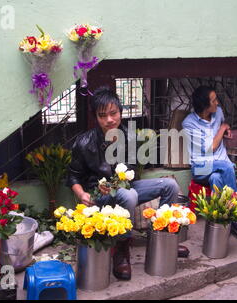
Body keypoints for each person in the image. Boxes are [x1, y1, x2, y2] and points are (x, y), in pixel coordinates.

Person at [67, 87, 189, 281]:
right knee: (129, 195)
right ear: (96, 117)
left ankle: (164, 237)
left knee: (170, 186)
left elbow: (130, 172)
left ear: (120, 112)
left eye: (113, 113)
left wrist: (122, 181)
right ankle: (121, 250)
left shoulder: (130, 138)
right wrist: (82, 194)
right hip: (99, 197)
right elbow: (73, 176)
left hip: (124, 189)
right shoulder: (84, 143)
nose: (109, 119)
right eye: (102, 115)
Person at [182, 85, 237, 240]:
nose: (217, 103)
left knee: (216, 178)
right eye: (214, 100)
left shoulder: (219, 113)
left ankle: (224, 220)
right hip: (201, 168)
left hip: (219, 166)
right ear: (204, 106)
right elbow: (210, 148)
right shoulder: (189, 124)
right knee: (227, 166)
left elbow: (223, 125)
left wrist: (226, 128)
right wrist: (222, 128)